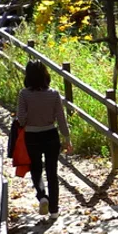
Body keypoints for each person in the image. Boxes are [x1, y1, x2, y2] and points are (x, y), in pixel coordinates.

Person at [16, 60, 72, 217]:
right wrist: (67, 138)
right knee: (52, 172)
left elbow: (21, 120)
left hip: (31, 136)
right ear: (45, 75)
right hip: (50, 135)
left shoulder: (24, 94)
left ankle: (42, 197)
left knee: (36, 169)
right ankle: (54, 210)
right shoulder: (53, 94)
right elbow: (61, 119)